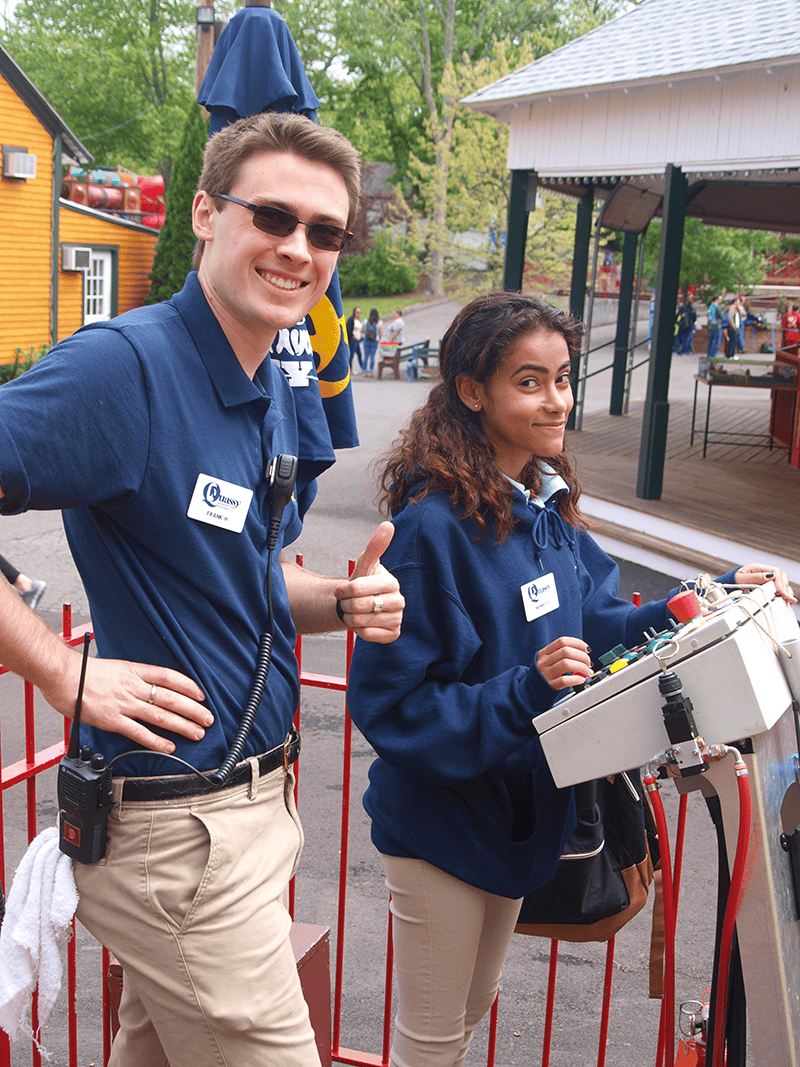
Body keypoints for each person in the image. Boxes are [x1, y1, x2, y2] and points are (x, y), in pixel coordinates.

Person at [0, 112, 404, 1067]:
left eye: (326, 232)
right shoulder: (125, 368)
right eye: (273, 215)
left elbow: (249, 574)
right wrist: (62, 671)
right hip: (177, 839)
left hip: (255, 815)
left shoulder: (268, 377)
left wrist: (340, 604)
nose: (298, 249)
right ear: (206, 215)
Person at [346, 291, 795, 1067]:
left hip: (521, 822)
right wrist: (527, 687)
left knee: (465, 1022)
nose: (556, 400)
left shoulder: (547, 510)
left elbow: (597, 622)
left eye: (561, 378)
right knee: (431, 1045)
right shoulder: (431, 530)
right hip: (442, 830)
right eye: (529, 381)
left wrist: (703, 598)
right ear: (471, 390)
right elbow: (394, 707)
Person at [362, 307, 382, 377]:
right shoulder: (379, 323)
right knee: (372, 356)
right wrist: (378, 338)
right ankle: (370, 371)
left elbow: (362, 330)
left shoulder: (365, 321)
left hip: (366, 340)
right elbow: (380, 333)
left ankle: (364, 371)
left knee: (366, 356)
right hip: (374, 341)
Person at [346, 305, 363, 373]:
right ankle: (350, 369)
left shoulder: (358, 320)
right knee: (352, 354)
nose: (358, 314)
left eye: (359, 312)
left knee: (359, 354)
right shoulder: (351, 320)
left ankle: (362, 367)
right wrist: (353, 336)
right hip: (353, 339)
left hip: (357, 339)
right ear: (354, 312)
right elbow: (349, 330)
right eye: (357, 312)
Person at [706, 294, 723, 361]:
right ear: (716, 300)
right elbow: (721, 316)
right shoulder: (717, 307)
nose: (721, 301)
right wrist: (720, 319)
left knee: (711, 340)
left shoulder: (710, 306)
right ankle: (713, 354)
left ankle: (709, 354)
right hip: (716, 325)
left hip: (711, 325)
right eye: (720, 299)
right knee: (716, 340)